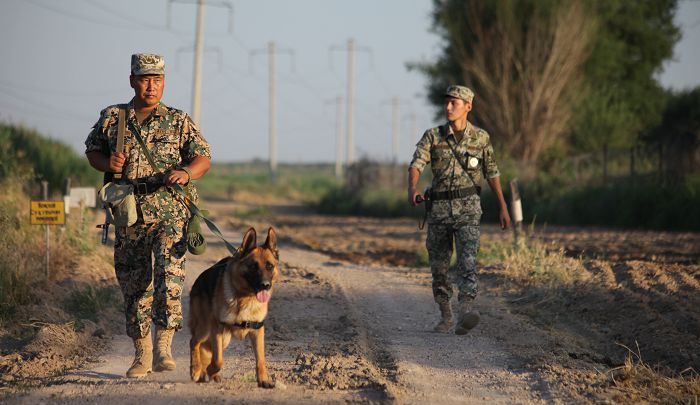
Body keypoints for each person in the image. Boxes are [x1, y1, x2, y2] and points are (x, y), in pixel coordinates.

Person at [85, 53, 211, 377]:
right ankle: (142, 354)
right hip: (129, 215)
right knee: (134, 284)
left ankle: (164, 348)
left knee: (170, 275)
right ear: (132, 80)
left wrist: (186, 172)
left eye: (157, 79)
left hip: (170, 212)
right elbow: (92, 151)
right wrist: (106, 164)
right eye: (144, 79)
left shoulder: (179, 120)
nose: (151, 86)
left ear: (164, 82)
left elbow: (203, 158)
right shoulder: (114, 117)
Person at [408, 85, 510, 335]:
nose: (449, 107)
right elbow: (417, 163)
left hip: (469, 211)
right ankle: (446, 317)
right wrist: (412, 187)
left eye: (455, 103)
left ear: (468, 106)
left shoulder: (481, 138)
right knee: (439, 267)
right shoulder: (433, 136)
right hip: (439, 211)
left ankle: (466, 311)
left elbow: (492, 173)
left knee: (468, 262)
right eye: (447, 103)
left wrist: (503, 206)